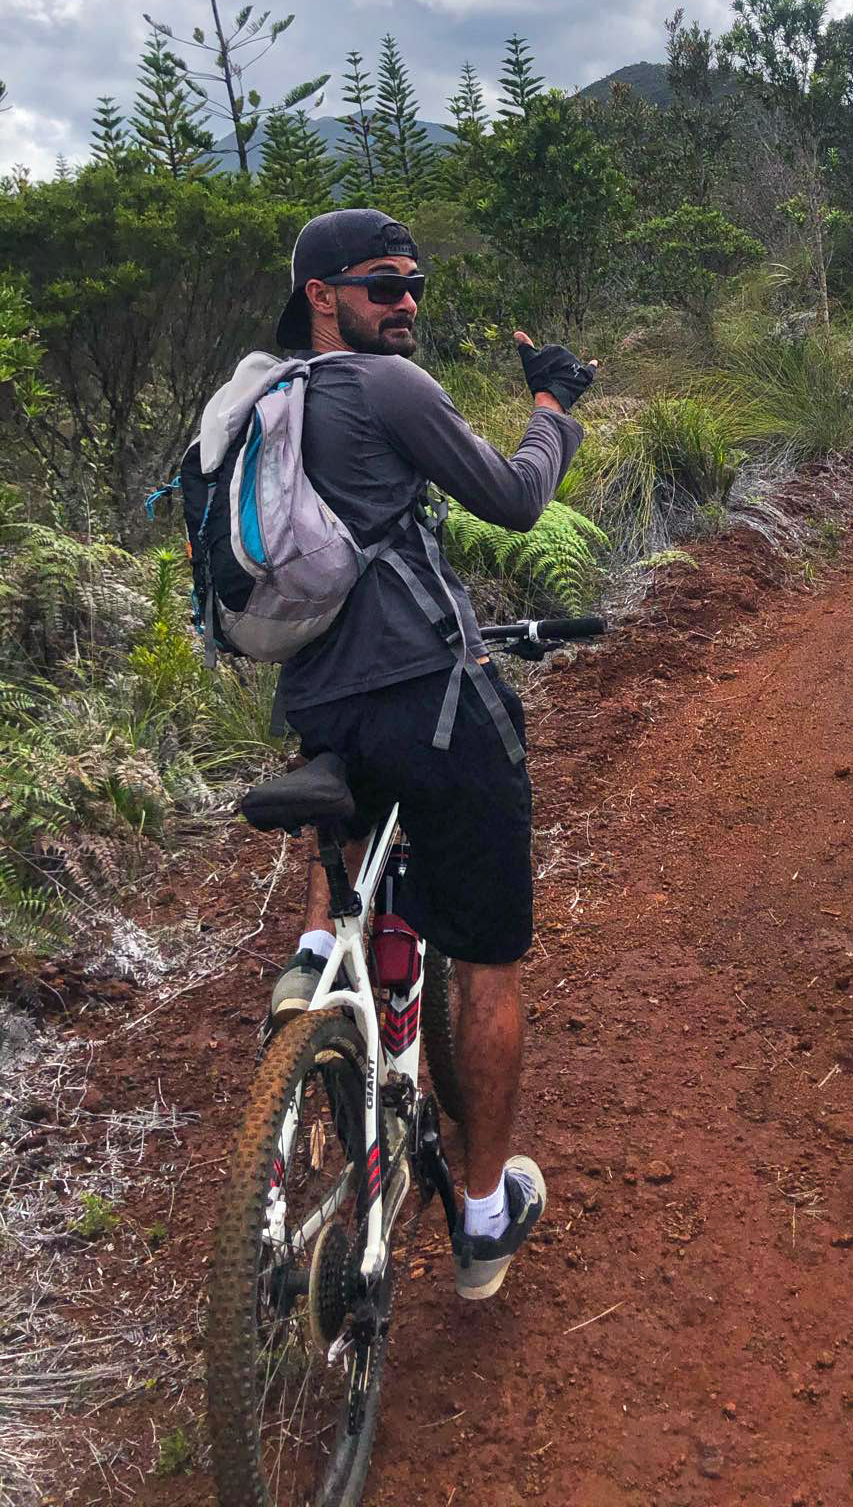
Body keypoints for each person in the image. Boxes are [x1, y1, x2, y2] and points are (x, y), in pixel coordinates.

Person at [264, 208, 594, 1300]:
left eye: (413, 285)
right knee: (492, 951)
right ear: (324, 293)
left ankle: (314, 974)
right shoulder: (383, 387)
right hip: (431, 696)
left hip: (319, 703)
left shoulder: (261, 398)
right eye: (380, 285)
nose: (404, 302)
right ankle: (487, 1212)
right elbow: (512, 496)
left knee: (355, 842)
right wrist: (552, 409)